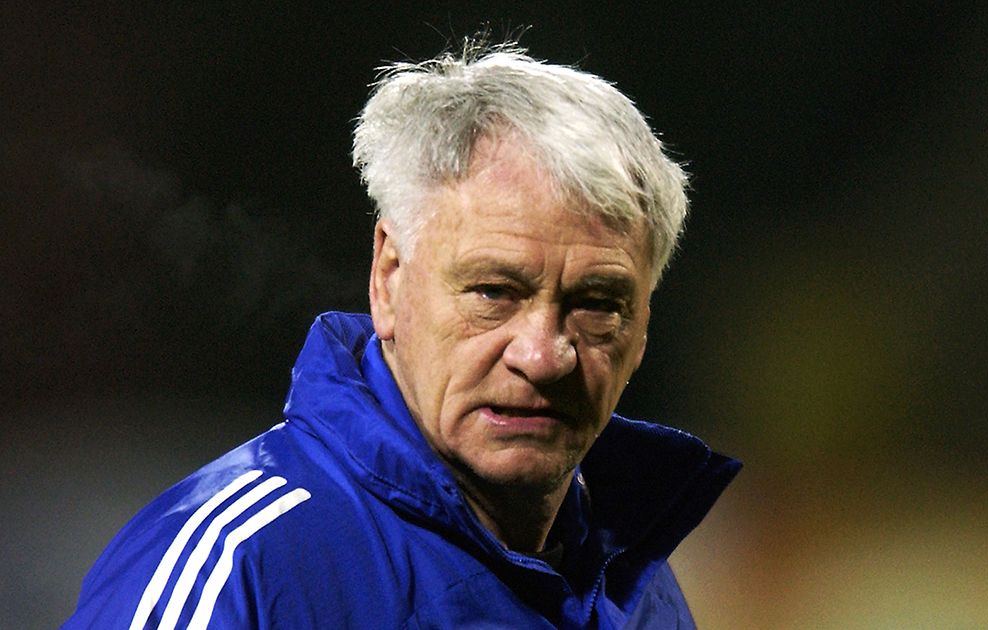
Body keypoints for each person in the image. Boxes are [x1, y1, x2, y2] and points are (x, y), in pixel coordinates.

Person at [64, 40, 740, 629]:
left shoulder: (638, 586)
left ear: (644, 325)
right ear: (389, 278)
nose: (542, 356)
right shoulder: (244, 570)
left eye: (597, 304)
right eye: (493, 292)